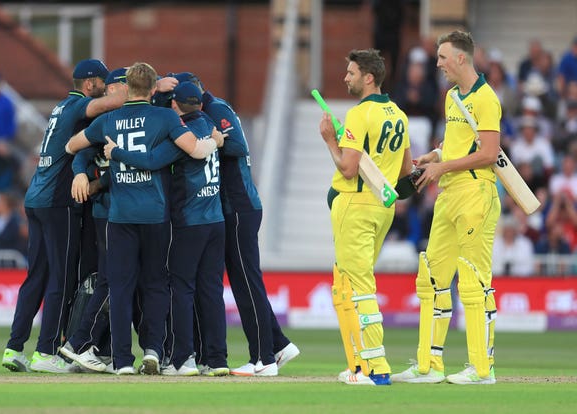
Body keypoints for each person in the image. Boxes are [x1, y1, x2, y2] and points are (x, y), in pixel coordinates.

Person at [65, 62, 223, 375]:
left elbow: (72, 145)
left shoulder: (108, 120)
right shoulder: (165, 117)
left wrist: (81, 172)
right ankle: (153, 350)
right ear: (153, 90)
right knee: (155, 284)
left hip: (120, 215)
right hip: (155, 214)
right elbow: (193, 150)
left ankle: (122, 361)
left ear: (127, 89)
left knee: (121, 287)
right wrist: (215, 142)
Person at [167, 72, 300, 377]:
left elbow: (238, 146)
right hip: (229, 208)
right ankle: (277, 343)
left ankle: (264, 358)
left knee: (245, 280)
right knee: (243, 280)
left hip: (238, 207)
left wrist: (210, 141)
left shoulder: (215, 110)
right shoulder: (208, 111)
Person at [1, 58, 126, 374]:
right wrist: (146, 89)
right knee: (61, 277)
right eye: (101, 84)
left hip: (36, 198)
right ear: (89, 84)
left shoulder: (58, 109)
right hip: (58, 202)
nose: (103, 91)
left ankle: (14, 348)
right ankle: (45, 351)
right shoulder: (76, 107)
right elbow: (116, 102)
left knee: (37, 276)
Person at [391, 30, 501, 385]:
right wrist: (435, 156)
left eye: (442, 57)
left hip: (476, 194)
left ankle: (482, 369)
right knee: (432, 279)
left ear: (461, 59)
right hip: (449, 194)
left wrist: (442, 167)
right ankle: (429, 365)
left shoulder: (486, 98)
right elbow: (458, 145)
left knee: (473, 281)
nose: (437, 64)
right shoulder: (453, 97)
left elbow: (487, 154)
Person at [319, 48, 413, 385]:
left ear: (368, 77)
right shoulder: (399, 114)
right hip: (382, 208)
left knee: (359, 288)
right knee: (350, 284)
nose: (346, 78)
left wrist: (331, 140)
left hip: (354, 205)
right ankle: (358, 365)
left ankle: (376, 368)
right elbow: (405, 171)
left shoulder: (360, 114)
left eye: (351, 73)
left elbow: (347, 169)